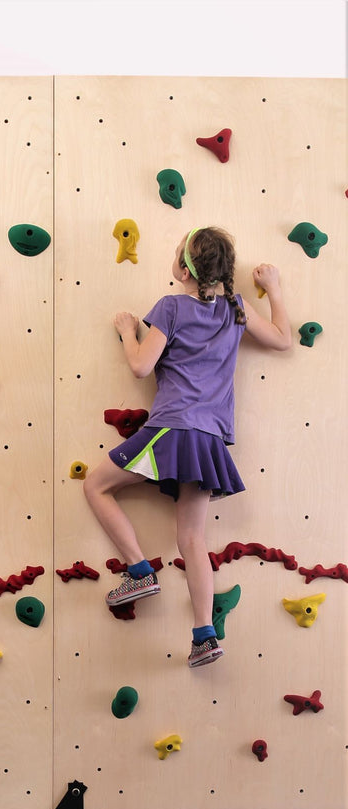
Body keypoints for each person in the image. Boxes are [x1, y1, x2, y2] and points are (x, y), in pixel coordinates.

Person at [83, 227, 292, 667]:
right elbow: (282, 338)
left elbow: (141, 366)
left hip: (173, 428)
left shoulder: (171, 307)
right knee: (193, 538)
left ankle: (139, 569)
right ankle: (203, 636)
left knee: (96, 486)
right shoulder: (236, 308)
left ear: (183, 269)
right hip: (209, 437)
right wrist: (273, 289)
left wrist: (126, 330)